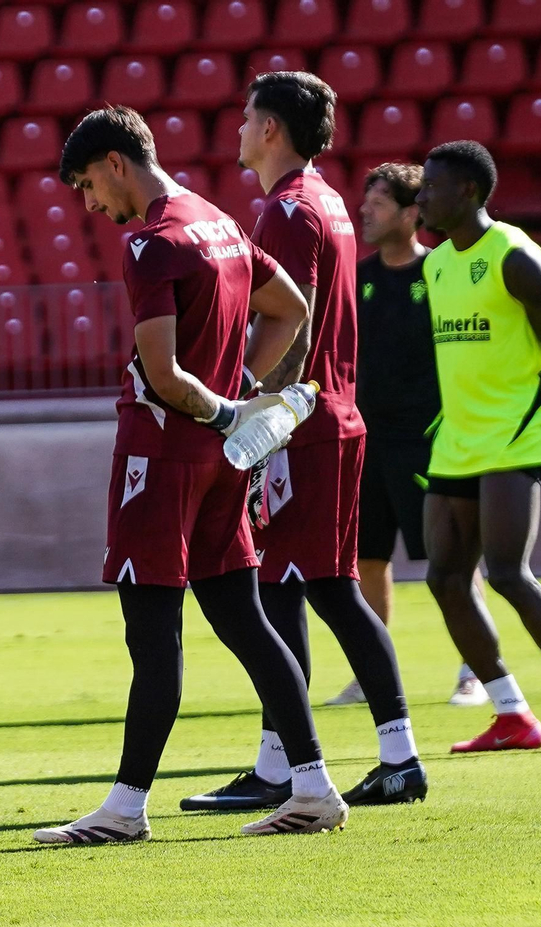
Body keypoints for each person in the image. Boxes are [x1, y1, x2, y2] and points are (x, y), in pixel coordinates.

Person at [35, 106, 347, 846]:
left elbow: (164, 374)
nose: (90, 204)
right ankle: (314, 786)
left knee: (152, 633)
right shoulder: (219, 220)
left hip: (165, 454)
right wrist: (239, 389)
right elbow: (292, 308)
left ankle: (125, 807)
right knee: (245, 621)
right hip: (218, 463)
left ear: (116, 161)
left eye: (87, 184)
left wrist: (221, 409)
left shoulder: (153, 241)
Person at [185, 72, 428, 812]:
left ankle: (383, 757)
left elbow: (290, 322)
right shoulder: (324, 203)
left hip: (300, 424)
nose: (235, 129)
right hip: (329, 416)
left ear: (270, 130)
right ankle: (305, 760)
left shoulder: (287, 210)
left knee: (315, 589)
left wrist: (237, 401)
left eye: (245, 116)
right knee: (299, 586)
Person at [414, 140, 541, 753]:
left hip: (515, 435)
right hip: (456, 441)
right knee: (444, 577)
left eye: (432, 186)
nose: (423, 197)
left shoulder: (514, 256)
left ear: (468, 191)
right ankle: (512, 714)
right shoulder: (436, 265)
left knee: (507, 574)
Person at [333, 163, 486, 708]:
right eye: (365, 202)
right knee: (367, 561)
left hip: (428, 440)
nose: (365, 212)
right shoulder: (359, 278)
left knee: (451, 560)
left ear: (411, 211)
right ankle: (373, 675)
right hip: (367, 442)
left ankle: (476, 670)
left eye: (377, 204)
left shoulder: (440, 273)